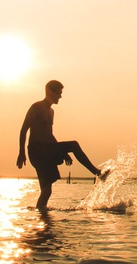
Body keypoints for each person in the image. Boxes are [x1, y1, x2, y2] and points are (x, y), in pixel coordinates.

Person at [17, 80, 108, 210]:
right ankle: (97, 172)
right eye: (58, 93)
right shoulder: (36, 107)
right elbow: (24, 129)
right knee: (74, 145)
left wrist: (63, 153)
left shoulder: (51, 112)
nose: (60, 96)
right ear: (50, 92)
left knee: (47, 191)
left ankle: (41, 216)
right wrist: (21, 153)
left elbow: (49, 135)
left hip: (47, 149)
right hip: (37, 151)